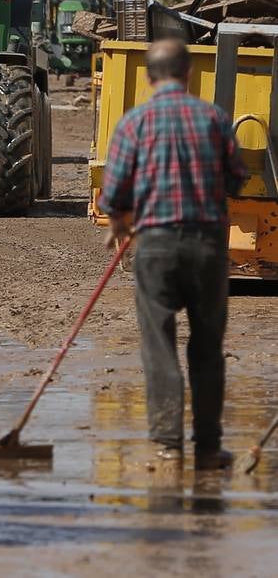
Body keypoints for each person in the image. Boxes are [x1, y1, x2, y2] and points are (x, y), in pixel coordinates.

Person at [100, 39, 248, 470]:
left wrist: (119, 222)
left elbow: (114, 191)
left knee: (159, 346)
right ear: (188, 75)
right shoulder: (215, 119)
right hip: (207, 248)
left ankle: (167, 444)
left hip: (156, 247)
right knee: (206, 347)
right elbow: (237, 180)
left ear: (149, 78)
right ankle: (207, 448)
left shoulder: (134, 122)